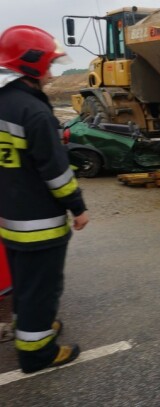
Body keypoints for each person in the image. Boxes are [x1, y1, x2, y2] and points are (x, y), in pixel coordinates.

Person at [0, 25, 89, 373]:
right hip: (40, 224)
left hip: (11, 219)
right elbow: (57, 174)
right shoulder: (35, 113)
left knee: (24, 284)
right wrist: (78, 208)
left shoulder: (4, 104)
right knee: (42, 288)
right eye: (49, 64)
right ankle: (38, 353)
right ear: (32, 65)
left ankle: (29, 327)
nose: (52, 71)